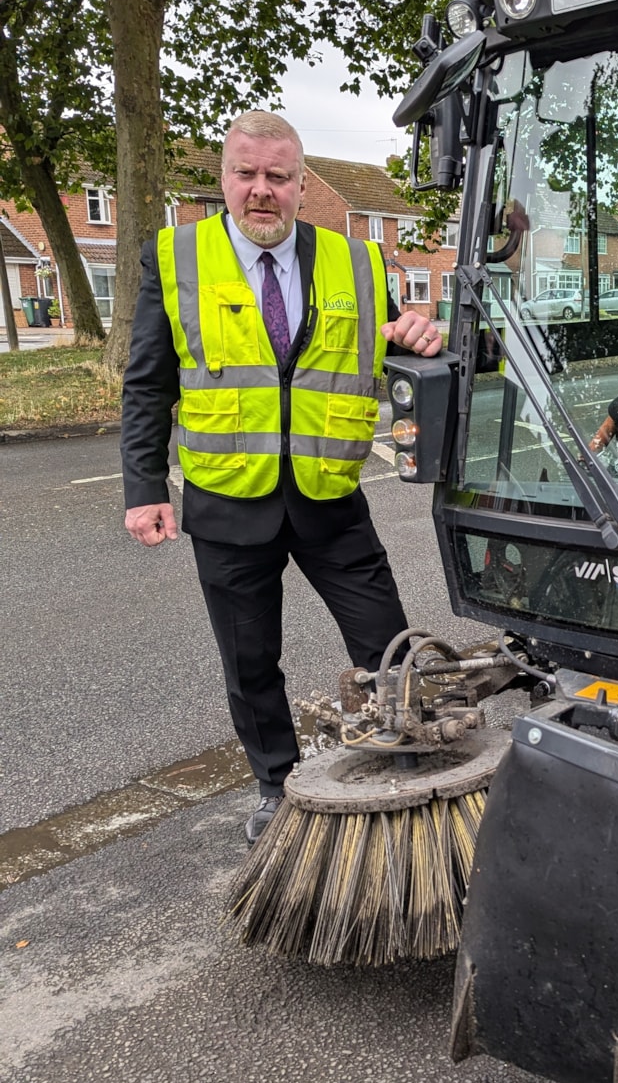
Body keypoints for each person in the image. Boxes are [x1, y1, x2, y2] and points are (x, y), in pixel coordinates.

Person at [121, 111, 443, 844]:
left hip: (331, 500)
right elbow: (148, 384)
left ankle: (414, 767)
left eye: (278, 177)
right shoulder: (174, 257)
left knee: (388, 646)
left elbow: (394, 341)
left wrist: (418, 333)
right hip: (228, 502)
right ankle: (275, 786)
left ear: (302, 185)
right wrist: (143, 488)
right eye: (246, 175)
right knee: (250, 663)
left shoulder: (355, 261)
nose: (261, 191)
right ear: (224, 179)